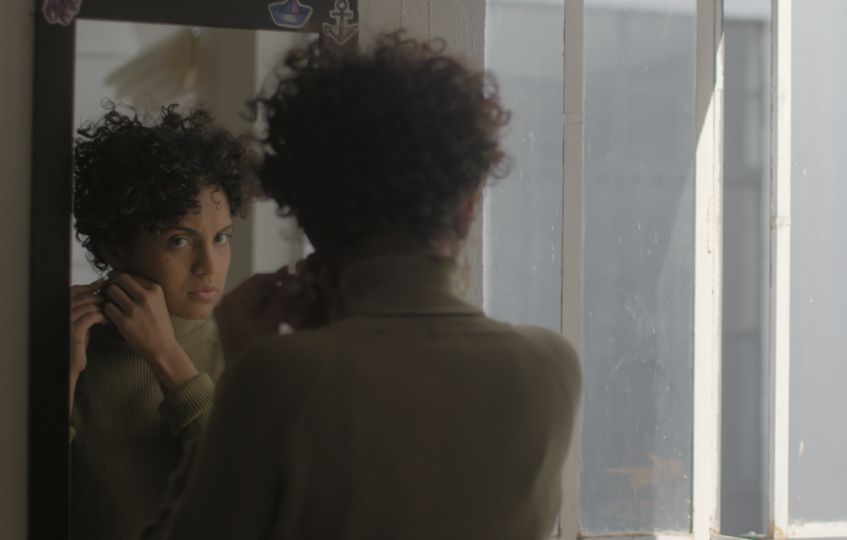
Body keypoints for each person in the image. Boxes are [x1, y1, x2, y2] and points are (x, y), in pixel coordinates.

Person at [146, 32, 582, 540]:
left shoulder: (274, 375)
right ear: (468, 204)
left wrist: (245, 365)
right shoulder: (550, 367)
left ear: (309, 218)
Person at [69, 104, 255, 540]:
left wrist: (166, 356)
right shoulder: (67, 349)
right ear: (115, 246)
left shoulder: (242, 356)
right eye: (180, 240)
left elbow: (245, 496)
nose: (210, 265)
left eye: (221, 237)